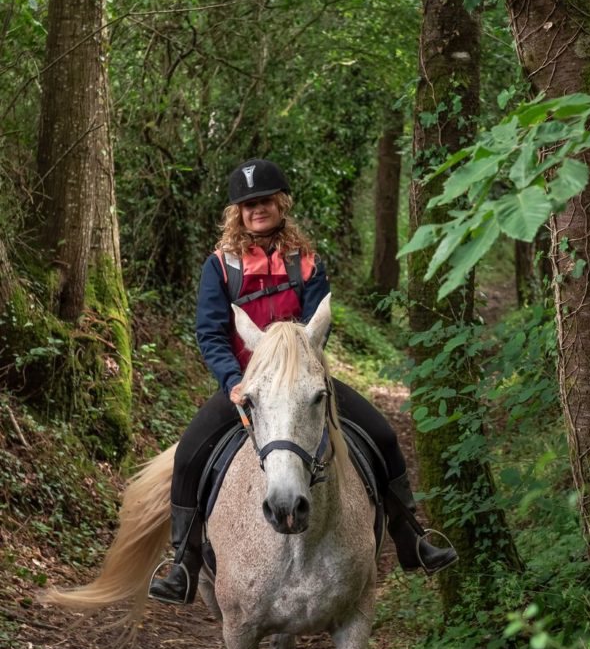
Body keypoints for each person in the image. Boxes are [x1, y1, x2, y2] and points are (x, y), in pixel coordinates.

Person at [149, 158, 458, 605]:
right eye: (248, 204)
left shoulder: (306, 261)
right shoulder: (219, 267)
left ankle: (412, 539)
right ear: (238, 212)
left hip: (304, 380)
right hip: (248, 386)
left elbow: (319, 321)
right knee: (190, 455)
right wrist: (234, 381)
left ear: (281, 203)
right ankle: (182, 564)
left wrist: (304, 361)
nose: (258, 209)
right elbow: (210, 332)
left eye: (265, 201)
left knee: (383, 435)